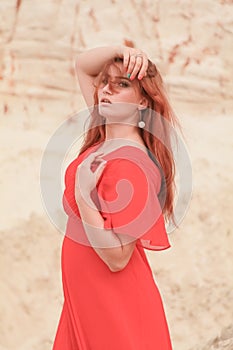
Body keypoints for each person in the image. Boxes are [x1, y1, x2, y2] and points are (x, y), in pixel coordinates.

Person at [52, 45, 179, 349]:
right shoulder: (104, 134)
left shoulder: (133, 164)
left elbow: (117, 258)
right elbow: (83, 64)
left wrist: (84, 196)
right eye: (105, 82)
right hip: (85, 301)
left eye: (122, 84)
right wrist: (123, 50)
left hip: (114, 307)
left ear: (142, 102)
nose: (106, 89)